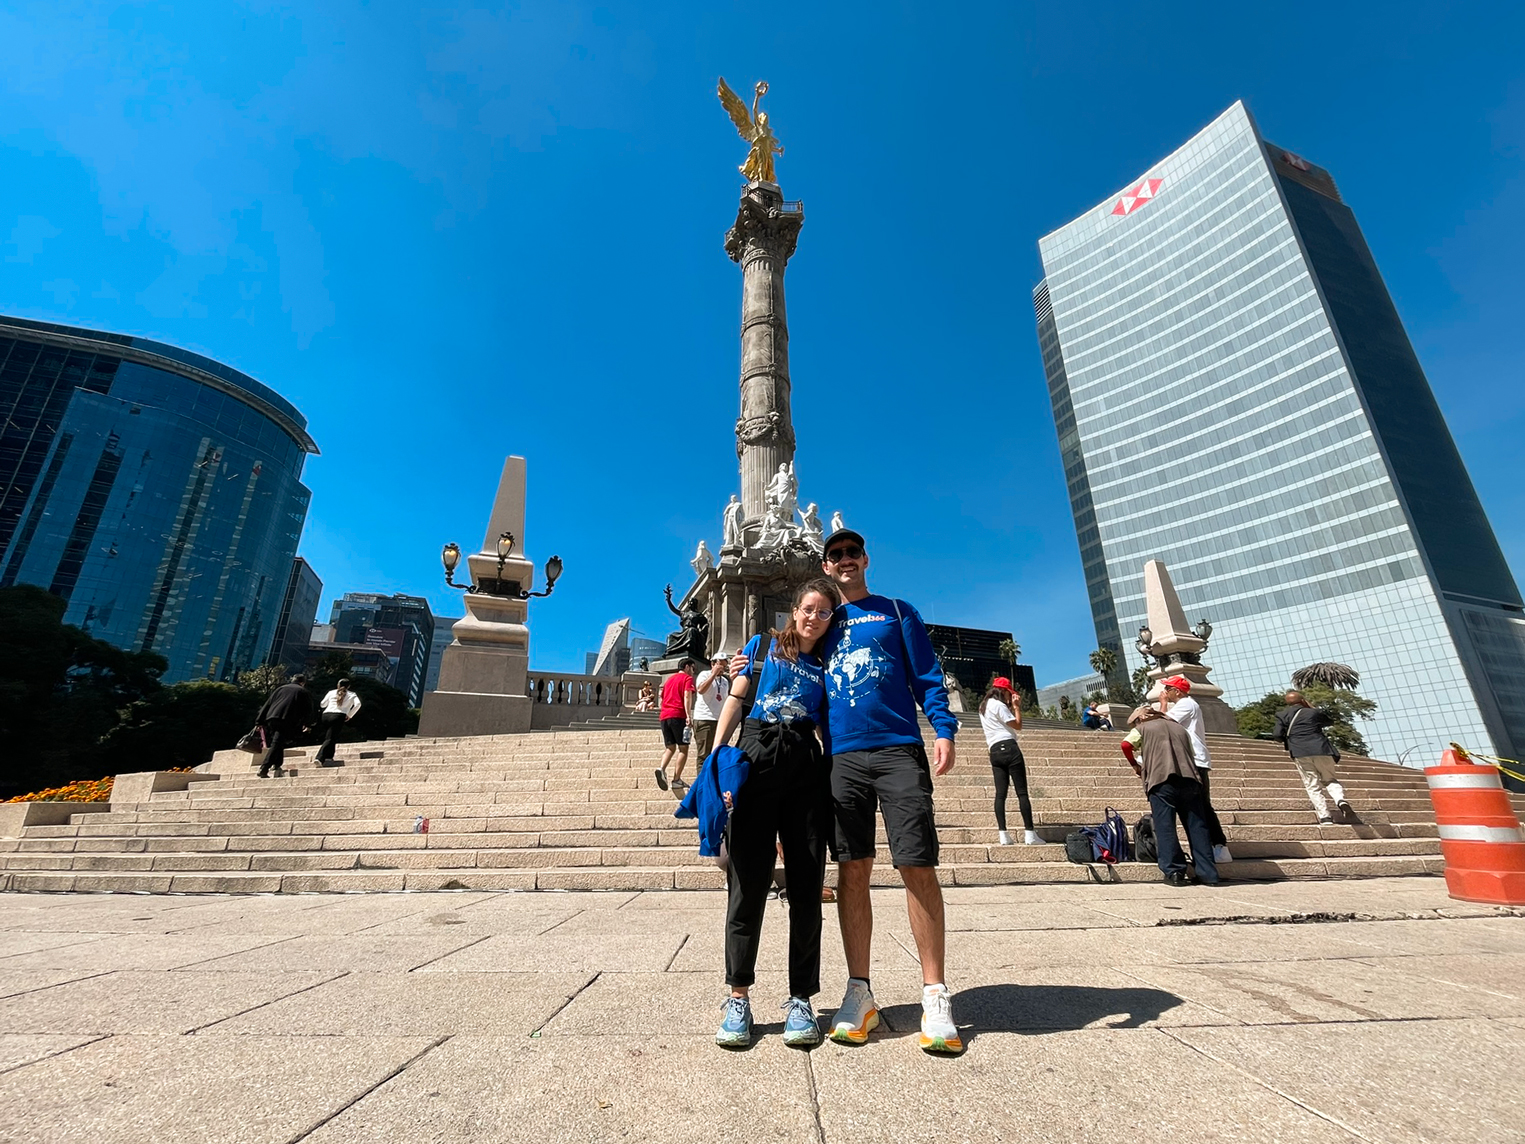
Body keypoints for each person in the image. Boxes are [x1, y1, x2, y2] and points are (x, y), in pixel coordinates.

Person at [812, 527, 965, 1054]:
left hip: (899, 748)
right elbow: (798, 682)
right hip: (843, 757)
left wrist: (943, 728)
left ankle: (934, 994)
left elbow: (926, 675)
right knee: (851, 870)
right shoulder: (821, 623)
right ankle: (860, 993)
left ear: (865, 559)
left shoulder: (896, 611)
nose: (846, 559)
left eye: (853, 552)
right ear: (826, 566)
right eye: (836, 555)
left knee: (916, 864)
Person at [709, 578, 840, 1048]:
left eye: (824, 612)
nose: (813, 617)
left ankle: (801, 998)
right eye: (808, 608)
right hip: (758, 754)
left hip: (805, 763)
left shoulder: (828, 664)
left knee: (806, 885)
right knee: (747, 883)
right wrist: (719, 754)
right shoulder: (762, 644)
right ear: (794, 610)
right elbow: (738, 698)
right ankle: (738, 997)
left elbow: (829, 724)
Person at [1120, 706, 1219, 887]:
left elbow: (1125, 745)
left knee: (1165, 826)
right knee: (1197, 826)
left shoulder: (1142, 728)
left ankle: (1174, 872)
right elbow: (1190, 752)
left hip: (1161, 781)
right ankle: (1208, 874)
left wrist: (1135, 764)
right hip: (1190, 779)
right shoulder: (1180, 728)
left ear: (1141, 719)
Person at [1160, 676, 1232, 863]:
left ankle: (1219, 845)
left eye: (1168, 688)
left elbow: (1164, 723)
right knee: (1200, 805)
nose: (1166, 691)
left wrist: (1162, 704)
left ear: (1178, 691)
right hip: (1192, 759)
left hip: (1195, 760)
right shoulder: (1186, 705)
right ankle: (1213, 846)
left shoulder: (1186, 704)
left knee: (1201, 805)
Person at [1274, 689, 1353, 824]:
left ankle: (1325, 817)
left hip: (1300, 752)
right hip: (1321, 749)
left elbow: (1277, 735)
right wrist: (1311, 707)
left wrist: (1290, 738)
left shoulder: (1282, 714)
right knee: (1330, 779)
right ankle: (1340, 800)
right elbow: (1329, 721)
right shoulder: (1314, 712)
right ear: (1302, 700)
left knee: (1312, 785)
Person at [979, 678, 1040, 846]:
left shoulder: (983, 707)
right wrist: (1017, 707)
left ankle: (1003, 835)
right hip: (1009, 747)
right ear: (1003, 691)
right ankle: (1030, 834)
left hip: (994, 750)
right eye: (1009, 693)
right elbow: (1018, 725)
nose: (1009, 697)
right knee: (1022, 792)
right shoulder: (999, 705)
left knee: (1000, 794)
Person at [254, 674, 318, 778]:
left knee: (278, 741)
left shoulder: (280, 689)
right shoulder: (303, 691)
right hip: (287, 719)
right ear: (303, 683)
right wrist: (308, 724)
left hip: (272, 717)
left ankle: (277, 764)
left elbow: (268, 704)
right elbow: (308, 710)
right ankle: (264, 767)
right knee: (277, 742)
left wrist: (259, 721)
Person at [654, 659, 697, 792]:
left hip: (664, 716)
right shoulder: (687, 679)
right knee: (683, 749)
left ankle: (661, 769)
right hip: (678, 715)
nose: (693, 672)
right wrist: (688, 715)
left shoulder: (669, 681)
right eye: (692, 668)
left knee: (670, 747)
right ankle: (676, 779)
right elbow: (687, 696)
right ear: (687, 667)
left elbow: (662, 696)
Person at [691, 654, 731, 762]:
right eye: (720, 666)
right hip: (704, 718)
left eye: (724, 666)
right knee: (704, 754)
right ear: (713, 664)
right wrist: (713, 674)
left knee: (717, 753)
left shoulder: (725, 681)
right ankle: (702, 778)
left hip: (718, 720)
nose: (722, 669)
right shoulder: (704, 675)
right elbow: (701, 690)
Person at [314, 678, 362, 766]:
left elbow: (322, 704)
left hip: (326, 715)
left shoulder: (331, 692)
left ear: (338, 685)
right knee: (330, 738)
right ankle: (319, 758)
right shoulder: (352, 694)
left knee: (332, 736)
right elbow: (358, 704)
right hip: (338, 716)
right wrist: (350, 715)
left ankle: (329, 756)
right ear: (349, 686)